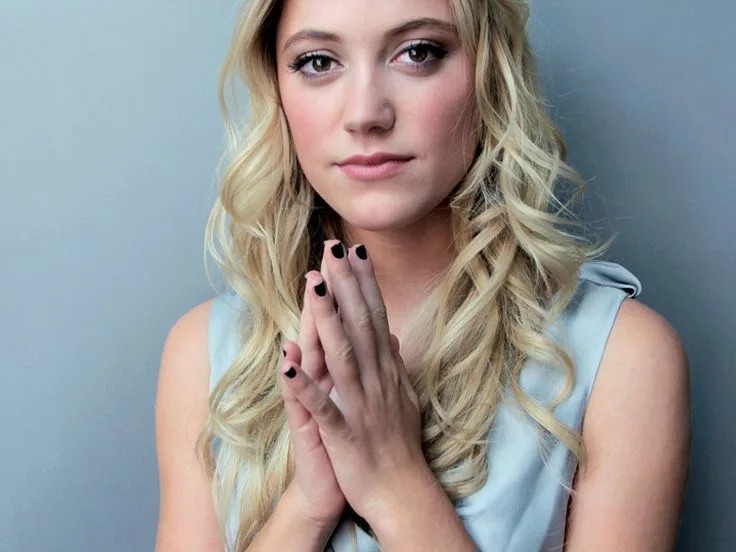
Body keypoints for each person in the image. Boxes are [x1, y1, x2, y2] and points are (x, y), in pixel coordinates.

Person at [154, 0, 691, 550]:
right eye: (318, 62)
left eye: (418, 53)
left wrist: (394, 483)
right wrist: (307, 506)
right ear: (278, 89)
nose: (365, 114)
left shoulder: (620, 357)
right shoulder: (206, 354)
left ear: (489, 74)